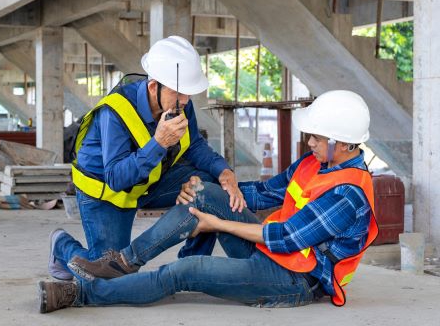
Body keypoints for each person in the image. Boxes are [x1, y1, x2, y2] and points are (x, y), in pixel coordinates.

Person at [39, 89, 379, 313]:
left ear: (343, 143)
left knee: (185, 272)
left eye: (317, 138)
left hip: (295, 279)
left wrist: (214, 223)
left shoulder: (348, 193)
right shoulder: (314, 163)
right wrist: (214, 186)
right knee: (203, 192)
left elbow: (287, 237)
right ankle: (125, 261)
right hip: (274, 252)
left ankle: (83, 294)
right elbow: (263, 193)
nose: (310, 143)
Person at [48, 36, 244, 281]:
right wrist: (159, 142)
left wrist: (224, 171)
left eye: (189, 94)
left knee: (208, 187)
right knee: (109, 274)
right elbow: (116, 178)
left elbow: (194, 145)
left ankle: (190, 264)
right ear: (154, 87)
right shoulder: (115, 112)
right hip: (107, 192)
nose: (185, 100)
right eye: (179, 92)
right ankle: (61, 245)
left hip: (148, 182)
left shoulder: (180, 103)